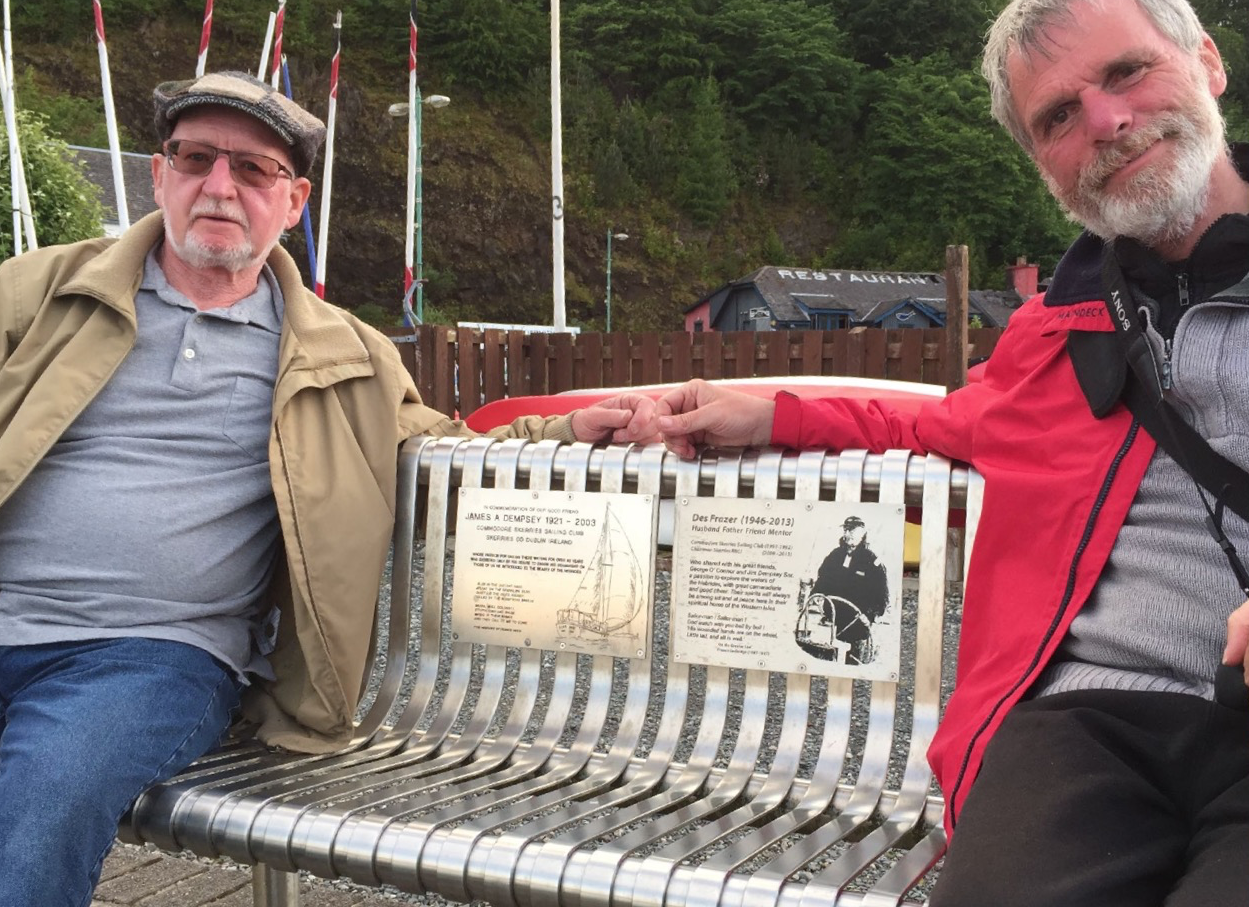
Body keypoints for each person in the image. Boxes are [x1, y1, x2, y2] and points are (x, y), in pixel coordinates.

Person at [0, 70, 653, 907]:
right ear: (159, 175)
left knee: (41, 799)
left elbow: (440, 450)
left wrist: (565, 433)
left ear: (294, 200)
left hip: (148, 655)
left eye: (253, 169)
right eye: (195, 158)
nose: (219, 186)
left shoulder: (343, 352)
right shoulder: (39, 290)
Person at [651, 0, 1249, 902]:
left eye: (1127, 71)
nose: (1105, 122)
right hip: (1088, 718)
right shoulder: (1057, 331)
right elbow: (933, 423)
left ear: (1206, 60)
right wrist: (768, 410)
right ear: (1043, 165)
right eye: (1056, 116)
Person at [809, 516, 888, 664]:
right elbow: (822, 580)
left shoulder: (872, 562)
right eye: (846, 529)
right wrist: (816, 597)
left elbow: (881, 596)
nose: (849, 534)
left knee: (852, 663)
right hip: (832, 620)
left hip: (857, 624)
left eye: (854, 530)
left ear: (863, 533)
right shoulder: (835, 556)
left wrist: (870, 615)